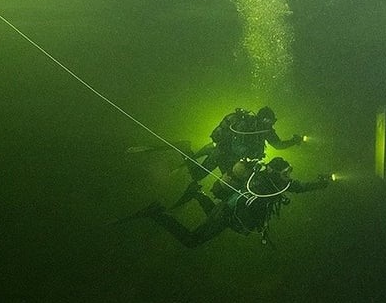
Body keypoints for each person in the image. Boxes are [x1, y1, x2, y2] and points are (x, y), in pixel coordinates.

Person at [136, 156, 330, 247]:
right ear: (274, 172)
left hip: (229, 214)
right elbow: (251, 205)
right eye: (286, 173)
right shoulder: (262, 183)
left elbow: (301, 187)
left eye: (290, 172)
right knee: (191, 241)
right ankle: (156, 214)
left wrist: (320, 184)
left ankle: (198, 194)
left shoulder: (280, 184)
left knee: (219, 216)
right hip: (227, 214)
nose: (289, 176)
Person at [173, 106, 304, 209]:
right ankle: (185, 148)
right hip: (221, 153)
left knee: (230, 186)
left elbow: (278, 145)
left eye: (272, 122)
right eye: (269, 121)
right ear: (262, 119)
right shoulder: (245, 125)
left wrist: (293, 141)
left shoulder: (267, 131)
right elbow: (236, 146)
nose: (271, 124)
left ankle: (206, 200)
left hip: (235, 162)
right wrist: (249, 155)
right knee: (197, 175)